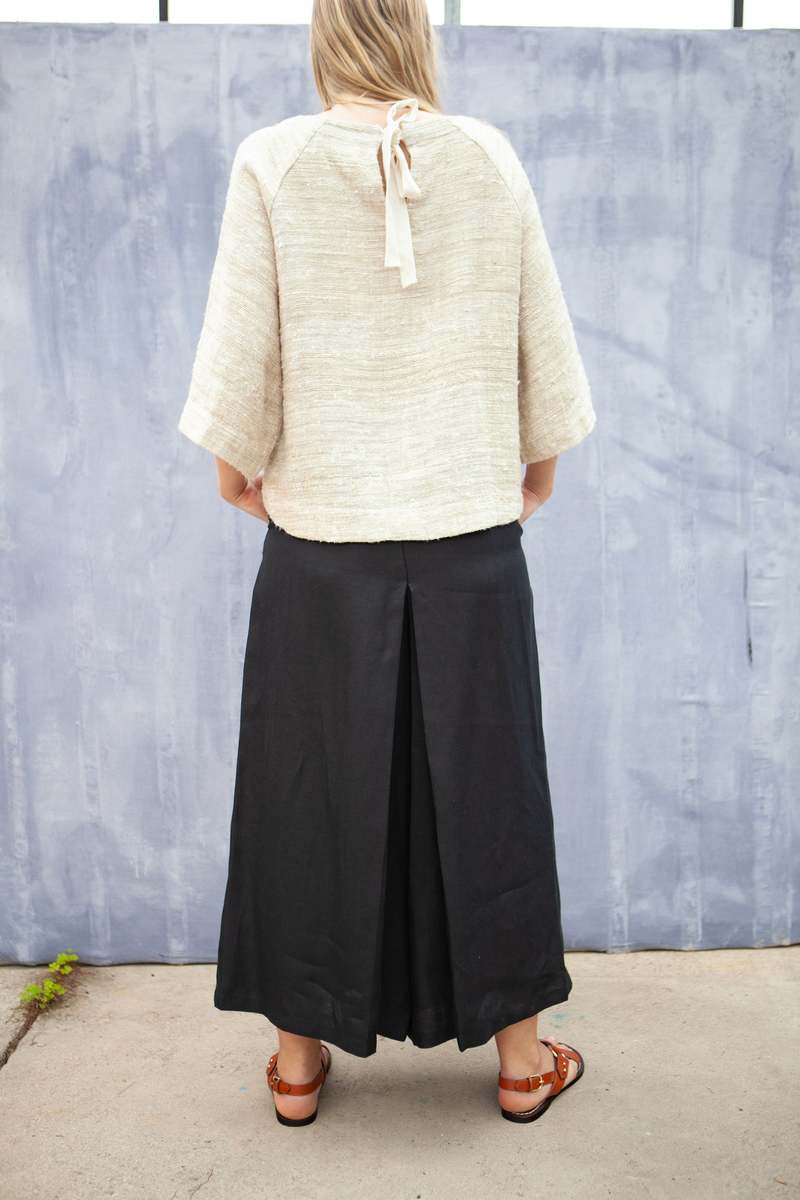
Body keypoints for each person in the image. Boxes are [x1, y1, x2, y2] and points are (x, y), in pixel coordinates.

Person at [178, 0, 595, 1128]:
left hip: (320, 549)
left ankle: (296, 1069)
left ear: (326, 37)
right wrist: (532, 470)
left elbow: (241, 355)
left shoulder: (272, 162)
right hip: (471, 539)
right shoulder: (488, 157)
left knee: (305, 792)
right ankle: (522, 1065)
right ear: (417, 34)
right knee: (491, 792)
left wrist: (240, 474)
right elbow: (543, 347)